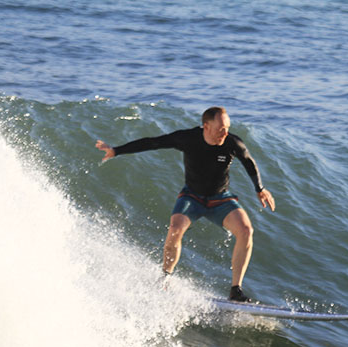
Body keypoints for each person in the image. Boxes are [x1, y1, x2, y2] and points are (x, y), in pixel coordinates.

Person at [96, 106, 275, 302]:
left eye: (227, 128)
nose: (225, 133)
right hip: (192, 197)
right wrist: (116, 150)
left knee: (246, 231)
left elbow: (249, 162)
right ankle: (164, 280)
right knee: (175, 228)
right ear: (206, 126)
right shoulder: (188, 138)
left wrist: (259, 188)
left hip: (220, 199)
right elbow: (154, 142)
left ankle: (235, 290)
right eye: (221, 129)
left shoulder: (232, 143)